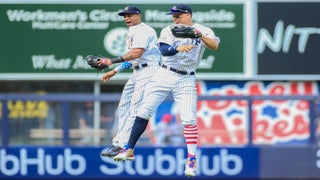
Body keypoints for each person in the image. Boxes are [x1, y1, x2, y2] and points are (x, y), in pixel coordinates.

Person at [113, 4, 220, 177]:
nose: (175, 19)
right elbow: (163, 50)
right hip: (165, 73)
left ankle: (192, 159)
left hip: (187, 78)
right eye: (173, 16)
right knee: (143, 110)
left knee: (189, 118)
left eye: (178, 16)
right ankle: (129, 148)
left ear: (188, 15)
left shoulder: (203, 30)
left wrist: (199, 36)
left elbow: (214, 46)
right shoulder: (169, 30)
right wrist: (176, 48)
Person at [100, 5, 161, 157]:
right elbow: (134, 58)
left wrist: (111, 61)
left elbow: (136, 53)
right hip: (138, 70)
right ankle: (118, 143)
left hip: (149, 71)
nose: (127, 18)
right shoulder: (132, 31)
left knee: (135, 108)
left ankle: (123, 146)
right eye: (124, 16)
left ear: (138, 15)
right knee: (123, 106)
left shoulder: (143, 30)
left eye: (130, 15)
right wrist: (114, 71)